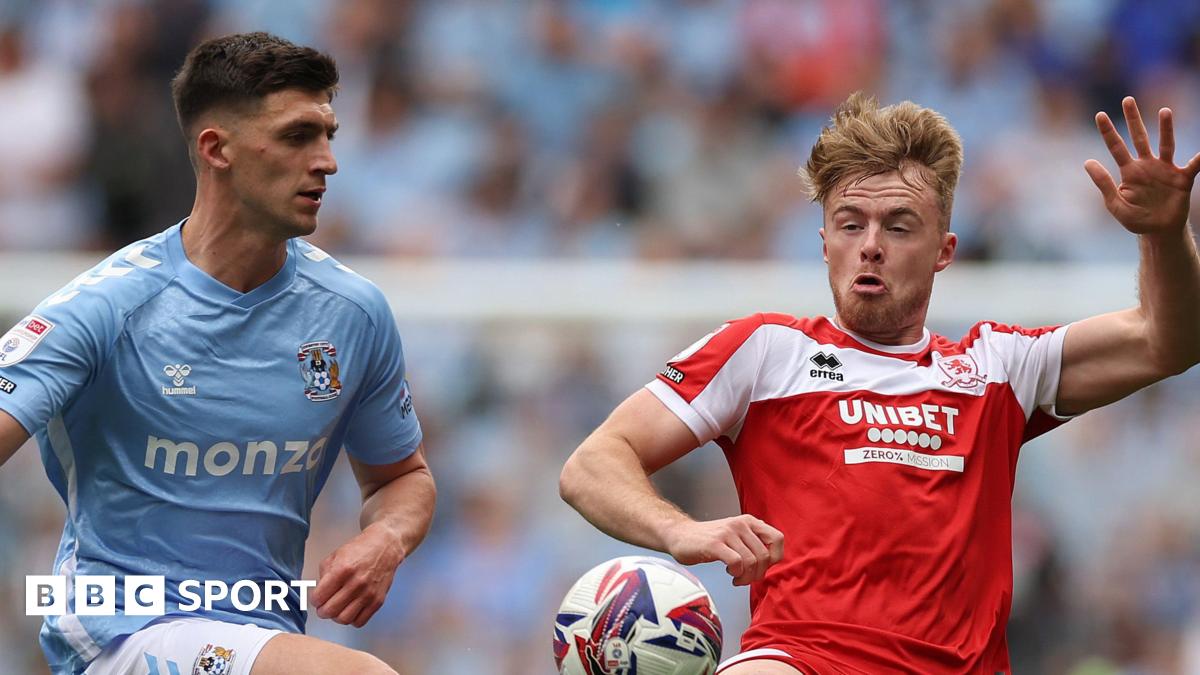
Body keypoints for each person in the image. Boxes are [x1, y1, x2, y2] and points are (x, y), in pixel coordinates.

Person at [559, 91, 1200, 674]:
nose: (870, 245)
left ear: (943, 250)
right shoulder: (766, 351)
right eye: (850, 224)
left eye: (897, 226)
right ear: (824, 243)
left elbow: (1166, 340)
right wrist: (683, 531)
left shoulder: (999, 366)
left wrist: (1164, 235)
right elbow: (591, 466)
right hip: (803, 661)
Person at [0, 33, 434, 675]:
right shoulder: (106, 306)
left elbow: (402, 478)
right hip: (120, 632)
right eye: (296, 136)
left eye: (329, 134)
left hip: (259, 629)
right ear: (216, 149)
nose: (327, 161)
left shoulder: (352, 312)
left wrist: (386, 538)